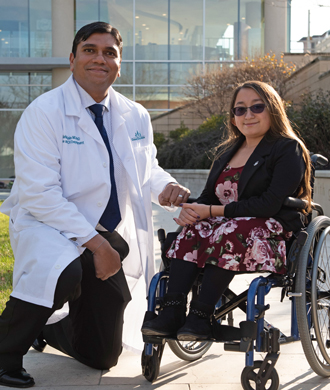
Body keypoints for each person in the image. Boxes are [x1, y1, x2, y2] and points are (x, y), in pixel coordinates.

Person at [0, 21, 190, 388]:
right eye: (90, 50)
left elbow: (144, 166)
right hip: (48, 225)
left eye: (109, 53)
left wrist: (166, 185)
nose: (99, 59)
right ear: (72, 59)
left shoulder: (135, 114)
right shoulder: (45, 112)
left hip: (105, 234)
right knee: (62, 270)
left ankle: (50, 332)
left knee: (102, 355)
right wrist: (98, 245)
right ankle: (5, 355)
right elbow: (40, 193)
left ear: (119, 64)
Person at [142, 80, 312, 342]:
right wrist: (191, 209)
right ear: (233, 118)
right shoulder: (226, 153)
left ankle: (200, 316)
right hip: (227, 231)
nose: (248, 115)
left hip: (271, 231)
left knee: (229, 227)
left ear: (273, 110)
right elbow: (209, 198)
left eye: (257, 107)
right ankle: (172, 312)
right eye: (240, 109)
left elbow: (269, 203)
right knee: (194, 227)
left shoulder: (287, 148)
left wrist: (210, 211)